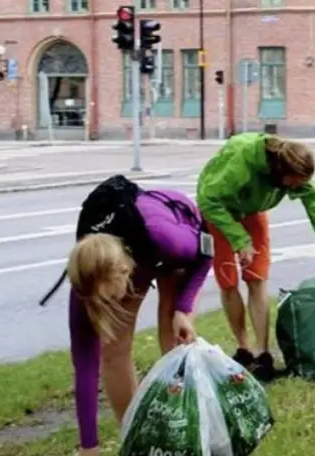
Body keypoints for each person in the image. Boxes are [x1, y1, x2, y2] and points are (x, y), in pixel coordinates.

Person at [64, 178, 209, 456]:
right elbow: (85, 364)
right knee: (112, 350)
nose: (108, 304)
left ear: (123, 272)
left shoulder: (169, 241)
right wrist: (88, 445)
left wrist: (183, 308)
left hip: (175, 233)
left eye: (110, 296)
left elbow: (206, 253)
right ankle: (136, 441)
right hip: (133, 251)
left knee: (173, 337)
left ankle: (185, 432)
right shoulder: (85, 279)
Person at [196, 132, 315, 381]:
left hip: (253, 210)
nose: (296, 187)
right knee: (228, 281)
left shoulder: (295, 173)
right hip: (220, 211)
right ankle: (243, 349)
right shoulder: (242, 162)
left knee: (257, 278)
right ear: (279, 170)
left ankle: (263, 353)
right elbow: (207, 199)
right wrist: (239, 240)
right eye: (294, 182)